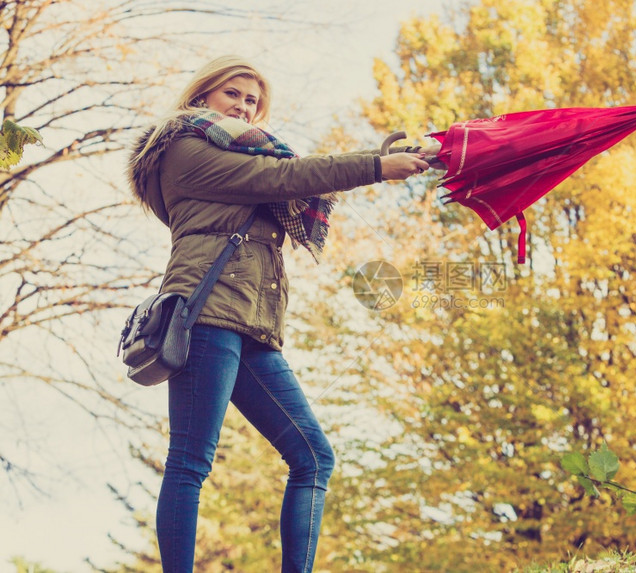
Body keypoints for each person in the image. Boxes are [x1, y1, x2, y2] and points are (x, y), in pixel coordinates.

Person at [127, 54, 437, 572]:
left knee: (313, 457)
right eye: (233, 95)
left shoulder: (238, 153)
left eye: (253, 100)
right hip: (207, 315)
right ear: (203, 96)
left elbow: (286, 179)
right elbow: (286, 178)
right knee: (190, 462)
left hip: (251, 324)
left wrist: (391, 156)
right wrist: (377, 168)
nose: (245, 108)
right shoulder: (184, 149)